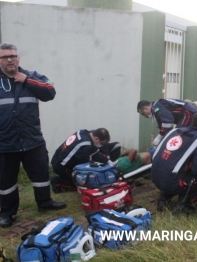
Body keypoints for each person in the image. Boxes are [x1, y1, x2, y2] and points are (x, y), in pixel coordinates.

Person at [0, 43, 66, 228]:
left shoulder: (32, 76)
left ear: (18, 58)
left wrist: (26, 80)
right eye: (4, 57)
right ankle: (7, 212)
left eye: (12, 55)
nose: (9, 59)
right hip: (5, 142)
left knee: (41, 174)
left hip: (32, 139)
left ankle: (45, 203)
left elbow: (50, 92)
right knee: (6, 182)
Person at [150, 112, 197, 214]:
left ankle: (164, 197)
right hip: (171, 182)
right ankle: (184, 202)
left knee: (175, 166)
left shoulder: (175, 131)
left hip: (155, 177)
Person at [50, 128, 121, 193]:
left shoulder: (83, 132)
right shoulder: (86, 146)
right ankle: (57, 183)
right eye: (102, 143)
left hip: (57, 158)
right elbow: (83, 166)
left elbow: (95, 153)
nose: (102, 146)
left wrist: (107, 161)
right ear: (97, 139)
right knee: (82, 182)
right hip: (61, 166)